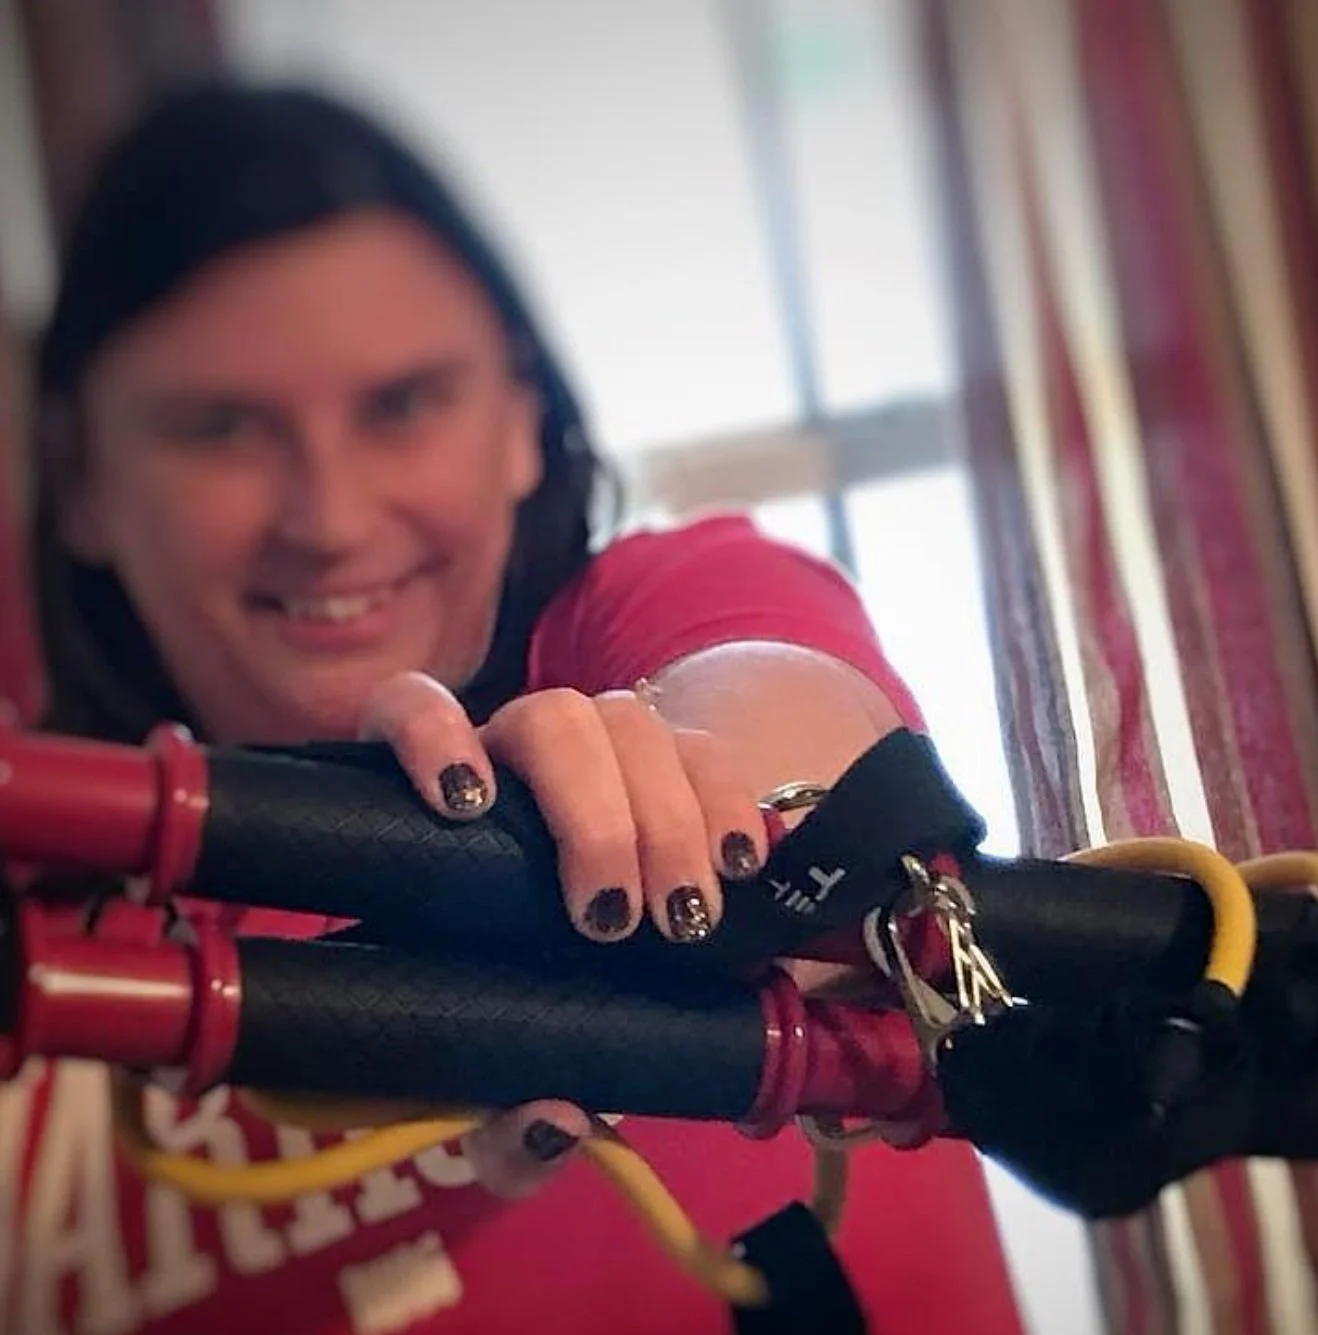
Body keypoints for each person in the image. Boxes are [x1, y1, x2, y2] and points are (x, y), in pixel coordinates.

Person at [1, 84, 1024, 1335]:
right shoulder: (60, 891)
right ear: (84, 488)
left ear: (523, 424)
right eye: (221, 430)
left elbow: (795, 720)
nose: (327, 519)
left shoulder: (649, 609)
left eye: (402, 405)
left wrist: (672, 794)